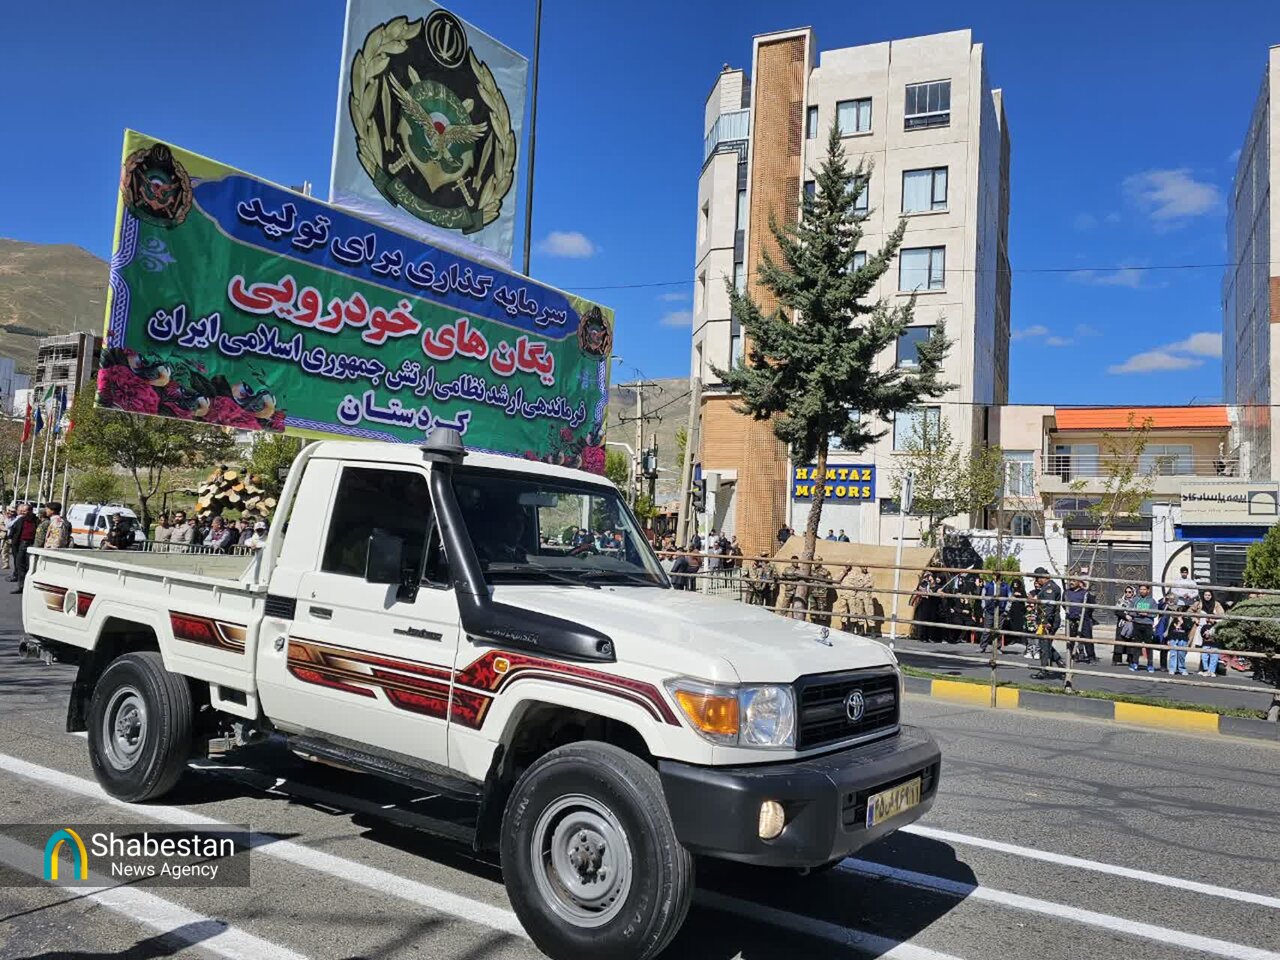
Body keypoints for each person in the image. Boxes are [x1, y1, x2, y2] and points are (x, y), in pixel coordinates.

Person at [1030, 567, 1065, 679]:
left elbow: (1049, 606)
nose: (1036, 581)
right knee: (1045, 644)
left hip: (1049, 621)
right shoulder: (1047, 587)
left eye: (1037, 579)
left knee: (1044, 646)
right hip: (1045, 620)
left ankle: (1044, 670)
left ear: (1041, 577)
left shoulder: (1050, 588)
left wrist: (1046, 621)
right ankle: (1061, 664)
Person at [1064, 576, 1097, 663]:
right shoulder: (1067, 592)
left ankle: (1091, 657)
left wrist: (1085, 613)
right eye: (1070, 580)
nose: (1071, 582)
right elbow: (1064, 604)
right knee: (1071, 638)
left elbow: (1092, 605)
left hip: (1083, 619)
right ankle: (1074, 655)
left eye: (1074, 581)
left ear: (1079, 582)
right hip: (1071, 619)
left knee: (1087, 638)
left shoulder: (1085, 593)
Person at [836, 564, 875, 634]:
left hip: (854, 595)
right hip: (844, 594)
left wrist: (862, 586)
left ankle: (869, 630)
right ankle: (845, 626)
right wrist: (844, 572)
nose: (847, 566)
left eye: (848, 565)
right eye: (846, 565)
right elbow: (837, 580)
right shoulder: (842, 571)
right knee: (844, 611)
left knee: (862, 612)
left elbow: (860, 584)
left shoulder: (856, 573)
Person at [1192, 589, 1222, 677]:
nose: (1207, 597)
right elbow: (1190, 612)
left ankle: (1212, 670)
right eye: (1205, 595)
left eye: (1209, 595)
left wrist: (1215, 619)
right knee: (1203, 650)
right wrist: (1195, 619)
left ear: (1212, 596)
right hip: (1201, 628)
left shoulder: (1216, 604)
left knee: (1213, 650)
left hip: (1213, 628)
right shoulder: (1198, 604)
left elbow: (1222, 615)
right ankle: (1203, 669)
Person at [979, 573, 1011, 654]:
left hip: (1001, 611)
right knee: (986, 629)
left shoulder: (1006, 586)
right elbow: (983, 596)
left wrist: (1007, 609)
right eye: (995, 575)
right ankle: (982, 647)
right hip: (989, 610)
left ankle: (997, 647)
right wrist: (984, 607)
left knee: (998, 630)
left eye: (998, 575)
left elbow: (1010, 597)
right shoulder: (988, 585)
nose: (996, 577)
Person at [1129, 583, 1158, 672]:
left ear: (1148, 590)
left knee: (1148, 646)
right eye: (1141, 589)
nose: (1142, 591)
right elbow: (1130, 611)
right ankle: (1135, 663)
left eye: (1144, 589)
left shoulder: (1152, 601)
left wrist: (1147, 614)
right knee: (1137, 645)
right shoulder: (1135, 600)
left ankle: (1150, 665)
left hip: (1147, 625)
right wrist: (1137, 613)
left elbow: (1155, 613)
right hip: (1137, 623)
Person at [8, 504, 37, 592]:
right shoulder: (20, 520)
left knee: (29, 566)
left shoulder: (37, 520)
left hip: (31, 545)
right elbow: (13, 529)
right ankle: (21, 586)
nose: (22, 512)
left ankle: (29, 586)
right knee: (20, 565)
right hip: (20, 544)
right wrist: (10, 538)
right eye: (22, 511)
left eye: (25, 511)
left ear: (30, 511)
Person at [1166, 605, 1191, 676]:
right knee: (1173, 654)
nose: (1179, 615)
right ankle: (1172, 669)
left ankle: (1182, 669)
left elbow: (1188, 629)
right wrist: (1169, 639)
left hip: (1183, 638)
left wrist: (1182, 622)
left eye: (1181, 613)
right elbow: (1170, 630)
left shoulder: (1187, 620)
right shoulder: (1174, 620)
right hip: (1174, 638)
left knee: (1181, 654)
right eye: (1178, 612)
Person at [1114, 585, 1136, 665]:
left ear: (1133, 593)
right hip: (1122, 623)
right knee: (1119, 640)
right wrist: (1125, 615)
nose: (1127, 593)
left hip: (1132, 622)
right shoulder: (1121, 600)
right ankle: (1116, 659)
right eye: (1126, 592)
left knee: (1131, 640)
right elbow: (1117, 611)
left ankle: (1130, 660)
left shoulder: (1136, 602)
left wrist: (1131, 616)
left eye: (1129, 592)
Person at [0, 506, 13, 571]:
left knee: (11, 551)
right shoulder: (3, 517)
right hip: (5, 536)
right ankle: (6, 563)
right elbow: (1, 525)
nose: (10, 513)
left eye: (12, 511)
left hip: (12, 537)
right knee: (4, 550)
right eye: (9, 511)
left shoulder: (15, 518)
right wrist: (6, 529)